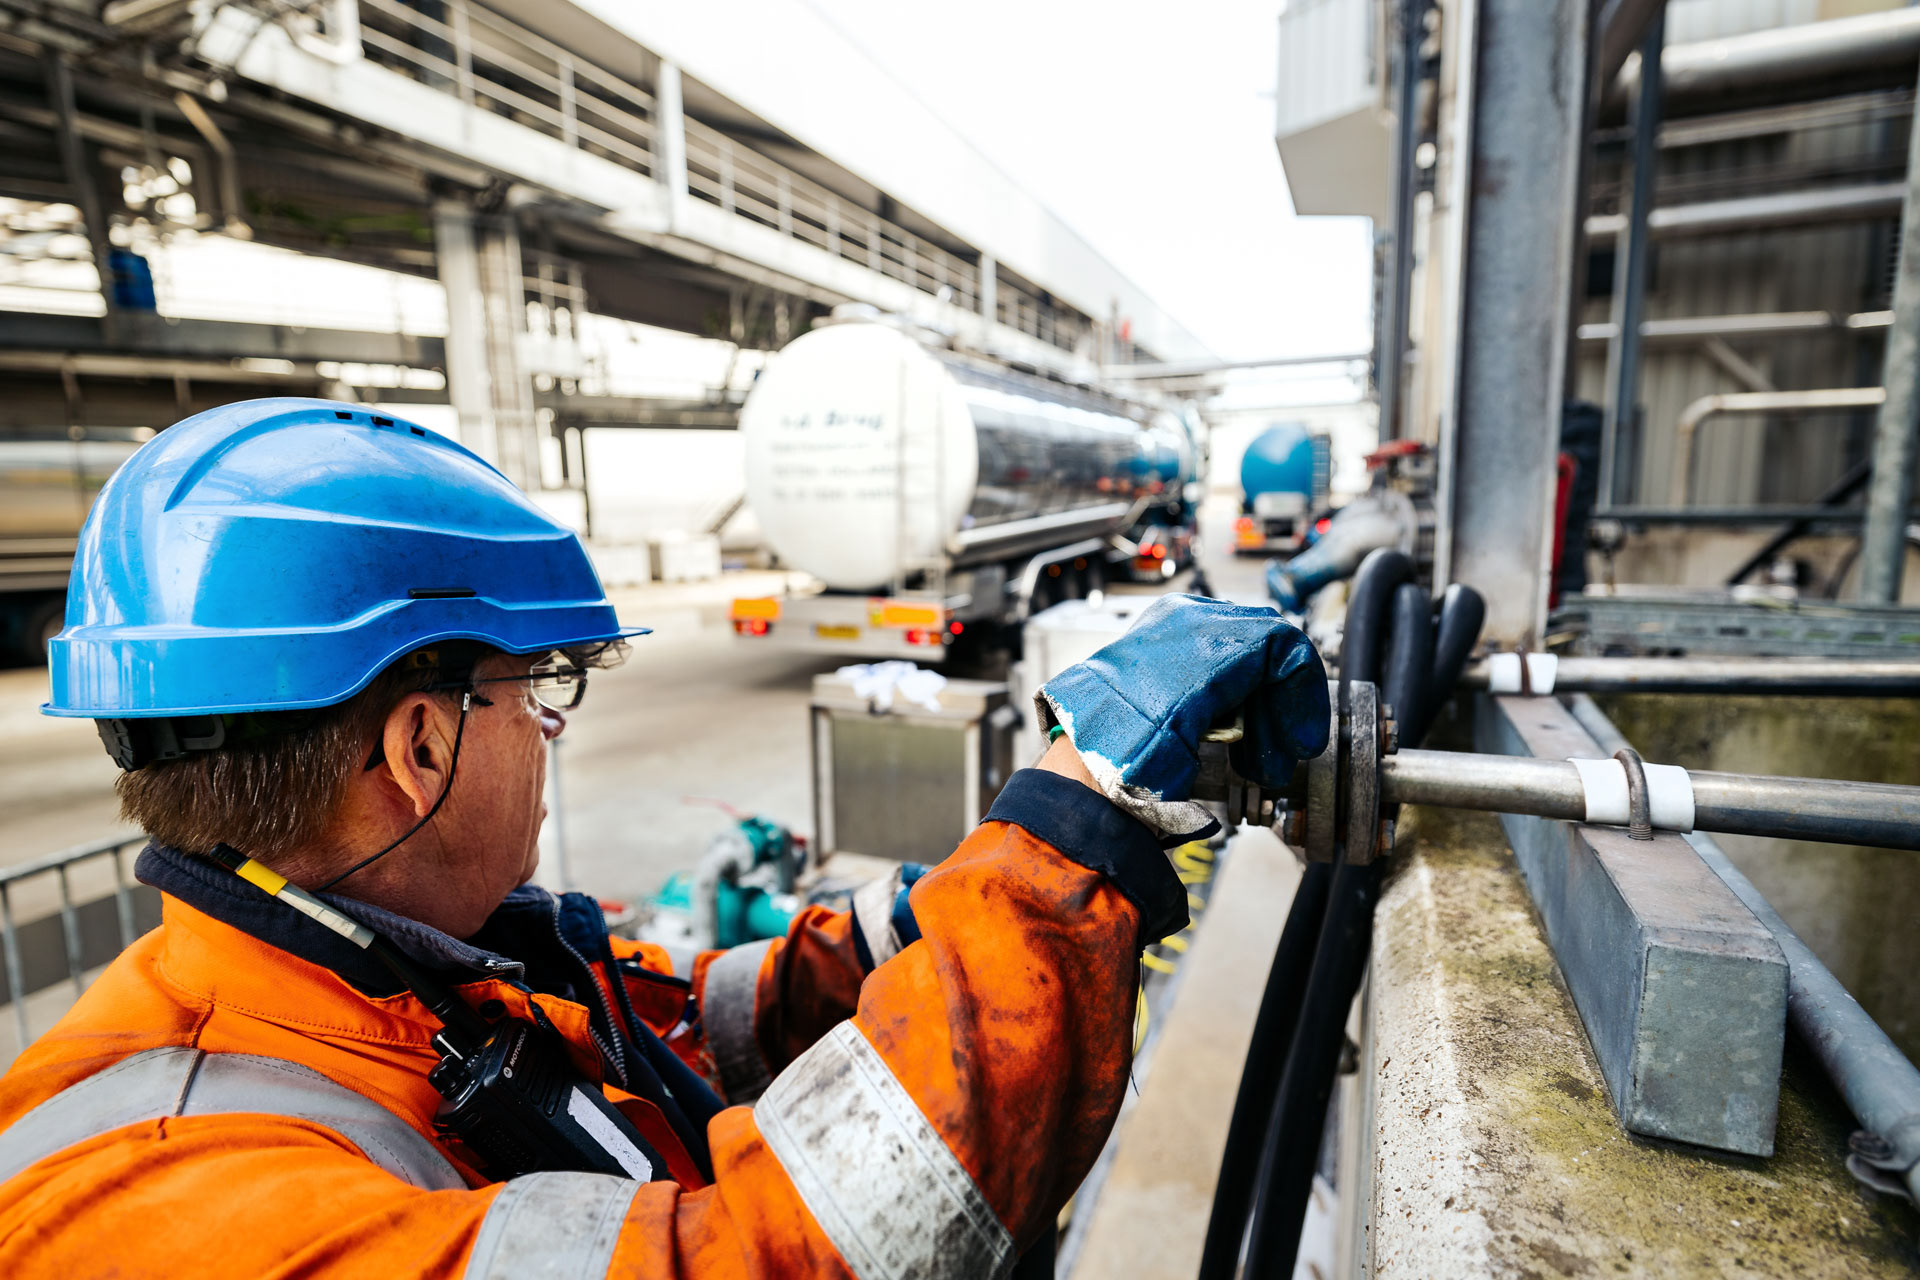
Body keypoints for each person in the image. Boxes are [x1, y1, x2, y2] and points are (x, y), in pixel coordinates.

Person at [0, 398, 1328, 1277]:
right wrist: (1063, 834)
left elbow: (697, 1025)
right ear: (419, 748)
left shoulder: (384, 979)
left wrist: (960, 895)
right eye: (539, 694)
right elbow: (779, 1254)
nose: (552, 733)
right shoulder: (166, 1208)